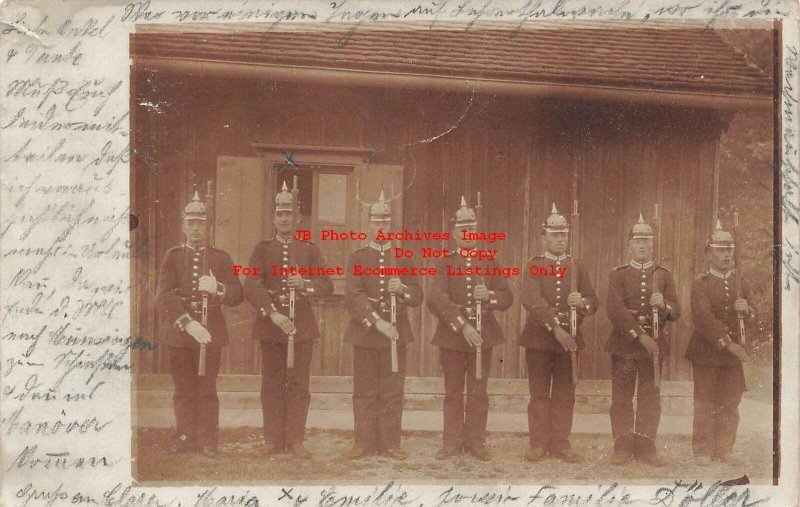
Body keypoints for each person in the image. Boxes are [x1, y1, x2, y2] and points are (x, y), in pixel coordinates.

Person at [244, 181, 333, 458]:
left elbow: (326, 285)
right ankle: (272, 439)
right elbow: (251, 284)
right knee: (271, 385)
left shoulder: (309, 249)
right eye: (279, 214)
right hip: (271, 327)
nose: (284, 219)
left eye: (289, 214)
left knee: (298, 386)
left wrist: (304, 283)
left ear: (297, 218)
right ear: (274, 218)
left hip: (301, 328)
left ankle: (295, 440)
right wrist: (273, 312)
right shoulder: (262, 249)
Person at [155, 190, 243, 457]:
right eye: (191, 222)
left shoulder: (221, 258)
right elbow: (164, 296)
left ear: (209, 227)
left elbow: (237, 295)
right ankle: (184, 437)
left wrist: (217, 287)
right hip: (181, 333)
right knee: (183, 389)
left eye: (201, 223)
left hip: (210, 332)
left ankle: (207, 440)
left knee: (206, 389)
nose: (195, 227)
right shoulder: (173, 257)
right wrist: (186, 322)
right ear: (183, 225)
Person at [427, 196, 513, 461]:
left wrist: (488, 295)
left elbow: (506, 296)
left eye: (472, 230)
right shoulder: (444, 263)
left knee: (478, 391)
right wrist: (462, 325)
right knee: (453, 392)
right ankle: (451, 442)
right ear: (454, 234)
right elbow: (436, 298)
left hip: (482, 338)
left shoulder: (489, 262)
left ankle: (476, 442)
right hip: (453, 337)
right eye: (462, 230)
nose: (468, 234)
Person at [343, 191, 423, 460]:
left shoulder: (402, 258)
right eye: (376, 223)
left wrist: (401, 289)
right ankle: (363, 443)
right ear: (369, 226)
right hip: (367, 333)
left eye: (385, 223)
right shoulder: (358, 258)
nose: (381, 228)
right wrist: (377, 322)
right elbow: (352, 296)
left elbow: (417, 295)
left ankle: (390, 444)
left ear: (391, 226)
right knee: (364, 391)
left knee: (392, 391)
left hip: (395, 335)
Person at [519, 204, 598, 463]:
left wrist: (581, 303)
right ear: (544, 237)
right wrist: (555, 327)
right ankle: (538, 444)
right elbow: (533, 301)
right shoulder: (535, 266)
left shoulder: (578, 267)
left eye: (563, 234)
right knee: (539, 395)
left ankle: (561, 444)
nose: (559, 239)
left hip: (571, 338)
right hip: (540, 341)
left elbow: (593, 300)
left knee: (565, 395)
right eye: (554, 234)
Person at [605, 214, 681, 467]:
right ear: (628, 245)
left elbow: (676, 311)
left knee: (650, 398)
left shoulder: (664, 275)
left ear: (653, 245)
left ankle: (647, 448)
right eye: (637, 241)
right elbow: (615, 310)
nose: (642, 246)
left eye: (647, 241)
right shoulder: (618, 275)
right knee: (622, 399)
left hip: (654, 347)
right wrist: (640, 334)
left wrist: (665, 306)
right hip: (625, 345)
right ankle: (622, 448)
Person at [686, 219, 755, 466]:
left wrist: (746, 310)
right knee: (705, 402)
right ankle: (702, 451)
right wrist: (729, 344)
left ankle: (724, 450)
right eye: (720, 250)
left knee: (730, 402)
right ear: (709, 254)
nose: (726, 255)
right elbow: (703, 318)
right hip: (706, 351)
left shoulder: (741, 282)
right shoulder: (700, 283)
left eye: (729, 250)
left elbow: (755, 317)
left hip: (732, 356)